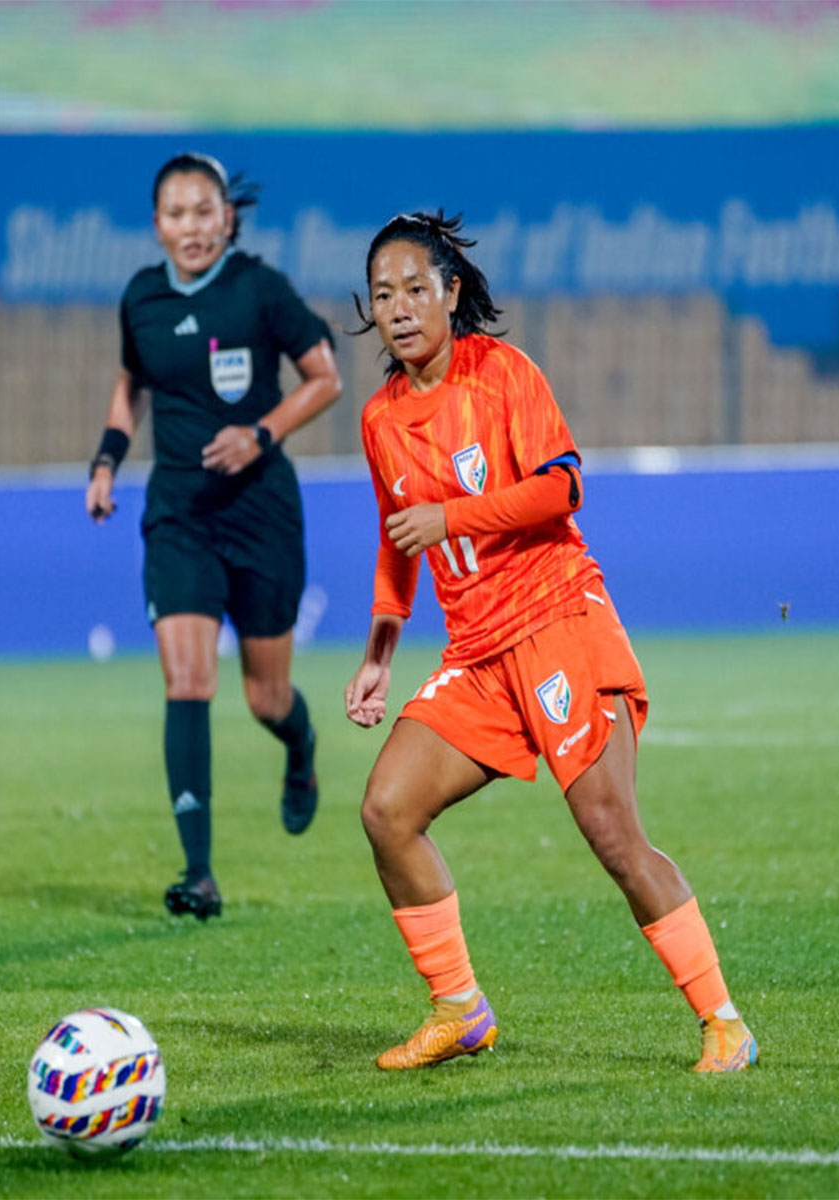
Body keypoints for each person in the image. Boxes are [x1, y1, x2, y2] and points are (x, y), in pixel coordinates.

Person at [344, 212, 757, 1073]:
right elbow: (397, 541)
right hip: (479, 655)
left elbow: (562, 487)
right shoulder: (381, 420)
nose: (400, 308)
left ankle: (723, 1021)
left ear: (452, 294)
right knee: (386, 809)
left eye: (416, 289)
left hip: (558, 620)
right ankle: (459, 1009)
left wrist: (451, 514)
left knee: (609, 827)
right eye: (383, 295)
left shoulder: (503, 375)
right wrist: (380, 654)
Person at [85, 153, 342, 921]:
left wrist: (259, 434)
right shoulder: (142, 297)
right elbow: (132, 382)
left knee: (265, 697)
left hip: (261, 516)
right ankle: (198, 873)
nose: (191, 227)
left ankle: (300, 749)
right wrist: (106, 458)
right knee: (187, 679)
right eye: (176, 213)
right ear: (157, 224)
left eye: (205, 212)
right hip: (179, 518)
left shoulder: (259, 289)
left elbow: (324, 376)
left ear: (227, 217)